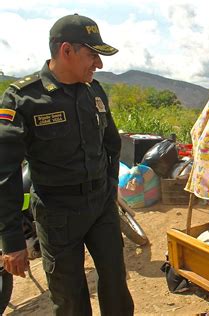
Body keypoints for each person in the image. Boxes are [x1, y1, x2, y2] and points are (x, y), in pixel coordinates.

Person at [0, 14, 133, 315]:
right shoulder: (23, 98)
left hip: (101, 206)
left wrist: (110, 187)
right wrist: (11, 239)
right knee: (70, 300)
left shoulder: (94, 92)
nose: (98, 64)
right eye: (92, 54)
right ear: (66, 51)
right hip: (57, 213)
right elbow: (5, 172)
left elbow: (111, 145)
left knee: (116, 286)